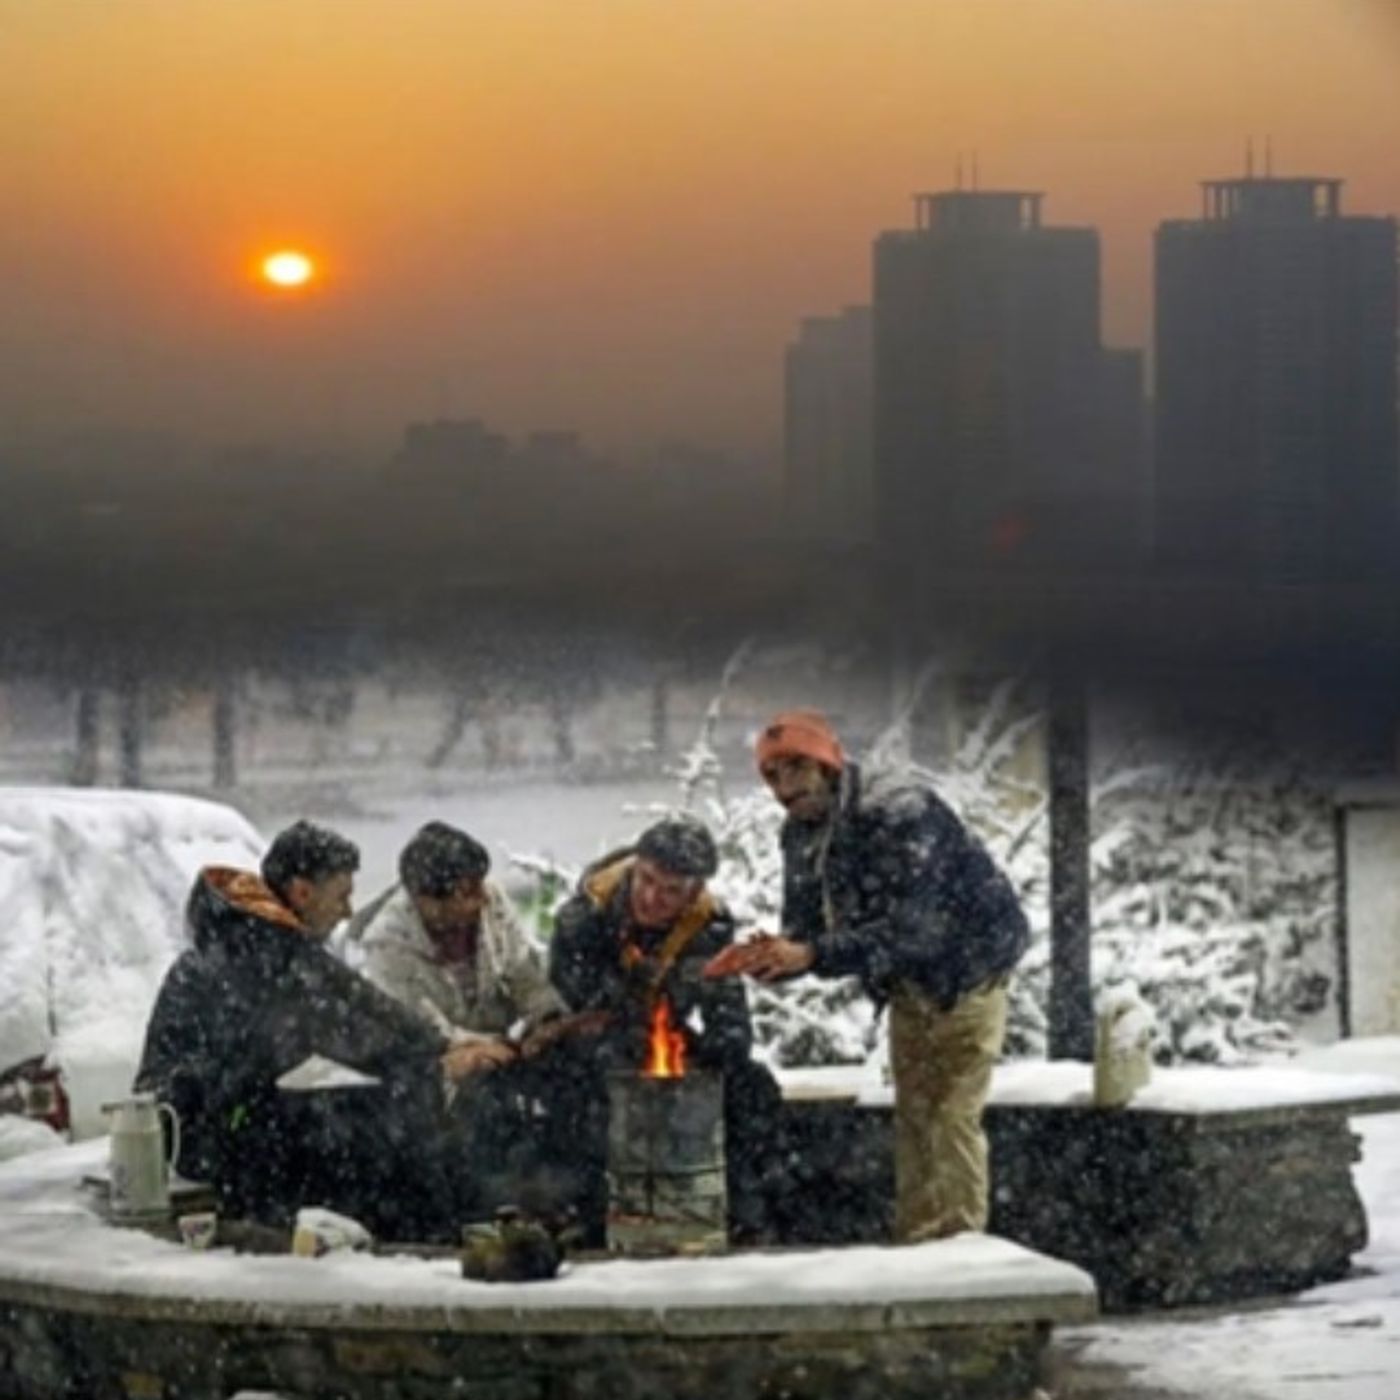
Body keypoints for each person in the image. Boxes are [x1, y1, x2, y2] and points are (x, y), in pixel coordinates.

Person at [708, 709, 1029, 1243]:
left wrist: (808, 953)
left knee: (950, 1116)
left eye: (795, 769)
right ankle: (921, 1239)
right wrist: (772, 957)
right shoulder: (802, 834)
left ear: (827, 764)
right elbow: (809, 932)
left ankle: (961, 1250)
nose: (786, 787)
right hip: (908, 980)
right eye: (773, 776)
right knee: (916, 1117)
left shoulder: (900, 811)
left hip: (968, 969)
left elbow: (915, 929)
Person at [134, 821, 487, 1239]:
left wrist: (444, 1044)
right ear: (303, 893)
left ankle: (422, 1229)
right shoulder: (255, 952)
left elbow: (362, 999)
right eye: (341, 896)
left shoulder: (279, 938)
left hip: (240, 1109)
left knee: (379, 1109)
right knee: (368, 1123)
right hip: (202, 1129)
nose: (349, 911)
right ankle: (411, 1239)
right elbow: (336, 1033)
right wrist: (434, 1065)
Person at [549, 815, 785, 1241]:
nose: (652, 897)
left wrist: (715, 1055)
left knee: (752, 1086)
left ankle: (745, 1212)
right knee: (597, 1087)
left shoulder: (709, 925)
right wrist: (668, 984)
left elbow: (730, 1019)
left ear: (693, 892)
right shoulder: (585, 914)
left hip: (666, 1037)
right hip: (591, 1038)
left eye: (670, 890)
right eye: (646, 880)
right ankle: (588, 1214)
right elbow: (576, 997)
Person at [350, 821, 588, 1212]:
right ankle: (477, 1209)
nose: (480, 898)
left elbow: (522, 970)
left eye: (479, 886)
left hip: (501, 1047)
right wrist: (479, 1048)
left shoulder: (489, 903)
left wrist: (545, 1019)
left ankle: (567, 1199)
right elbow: (418, 1028)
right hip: (432, 1070)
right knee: (481, 1109)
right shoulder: (387, 943)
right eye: (466, 893)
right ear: (427, 901)